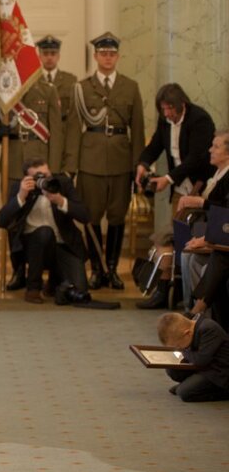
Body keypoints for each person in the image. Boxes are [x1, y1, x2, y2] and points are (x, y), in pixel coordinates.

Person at [63, 32, 144, 290]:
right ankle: (97, 269)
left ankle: (113, 269)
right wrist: (70, 168)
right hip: (91, 160)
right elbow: (74, 129)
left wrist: (138, 166)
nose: (107, 58)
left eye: (112, 53)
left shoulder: (130, 87)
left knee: (118, 216)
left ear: (117, 56)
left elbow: (138, 130)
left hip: (121, 160)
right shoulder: (83, 88)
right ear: (96, 56)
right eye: (103, 53)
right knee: (92, 216)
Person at [134, 84, 215, 309]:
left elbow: (196, 159)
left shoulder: (200, 120)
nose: (167, 113)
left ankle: (179, 293)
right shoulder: (165, 121)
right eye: (163, 109)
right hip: (180, 189)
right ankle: (166, 290)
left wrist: (167, 178)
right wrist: (143, 163)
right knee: (176, 237)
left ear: (182, 104)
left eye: (170, 108)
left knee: (184, 240)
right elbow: (155, 146)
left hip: (199, 185)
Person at [0, 74, 63, 291]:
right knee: (14, 219)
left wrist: (54, 169)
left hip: (41, 162)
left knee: (48, 216)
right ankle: (18, 269)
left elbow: (56, 132)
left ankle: (47, 270)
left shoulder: (47, 90)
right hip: (12, 162)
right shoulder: (2, 89)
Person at [0, 158, 90, 303]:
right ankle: (33, 288)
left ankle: (54, 282)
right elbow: (1, 221)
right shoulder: (20, 188)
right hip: (32, 247)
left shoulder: (62, 184)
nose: (44, 180)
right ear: (27, 178)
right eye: (38, 177)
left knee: (80, 290)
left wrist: (60, 200)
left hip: (63, 246)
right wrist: (21, 196)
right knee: (44, 233)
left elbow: (85, 215)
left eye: (47, 175)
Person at [174, 131, 229, 312]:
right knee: (187, 254)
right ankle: (193, 308)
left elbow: (224, 210)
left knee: (195, 258)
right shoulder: (216, 173)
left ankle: (198, 311)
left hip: (219, 232)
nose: (210, 150)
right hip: (212, 228)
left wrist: (207, 239)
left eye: (216, 146)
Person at [156, 312, 229, 402]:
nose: (178, 348)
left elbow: (201, 360)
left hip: (219, 372)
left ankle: (223, 392)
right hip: (205, 366)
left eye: (178, 345)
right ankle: (192, 384)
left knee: (184, 393)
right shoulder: (192, 325)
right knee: (172, 368)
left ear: (187, 333)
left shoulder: (208, 329)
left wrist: (182, 351)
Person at [35, 35, 77, 133]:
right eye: (45, 54)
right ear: (39, 56)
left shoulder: (70, 80)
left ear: (58, 56)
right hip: (39, 132)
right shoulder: (32, 81)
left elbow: (74, 114)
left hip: (62, 132)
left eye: (53, 53)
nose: (49, 57)